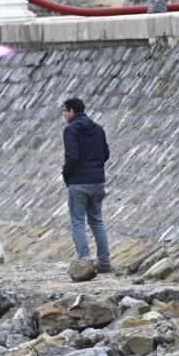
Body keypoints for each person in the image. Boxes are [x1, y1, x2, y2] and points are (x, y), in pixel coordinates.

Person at [61, 97, 110, 275]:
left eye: (64, 111)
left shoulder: (70, 130)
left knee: (78, 223)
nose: (64, 114)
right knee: (97, 221)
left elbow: (72, 156)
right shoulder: (98, 129)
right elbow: (106, 153)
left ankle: (84, 262)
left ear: (72, 111)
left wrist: (66, 174)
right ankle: (104, 262)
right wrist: (95, 168)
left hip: (79, 182)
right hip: (98, 181)